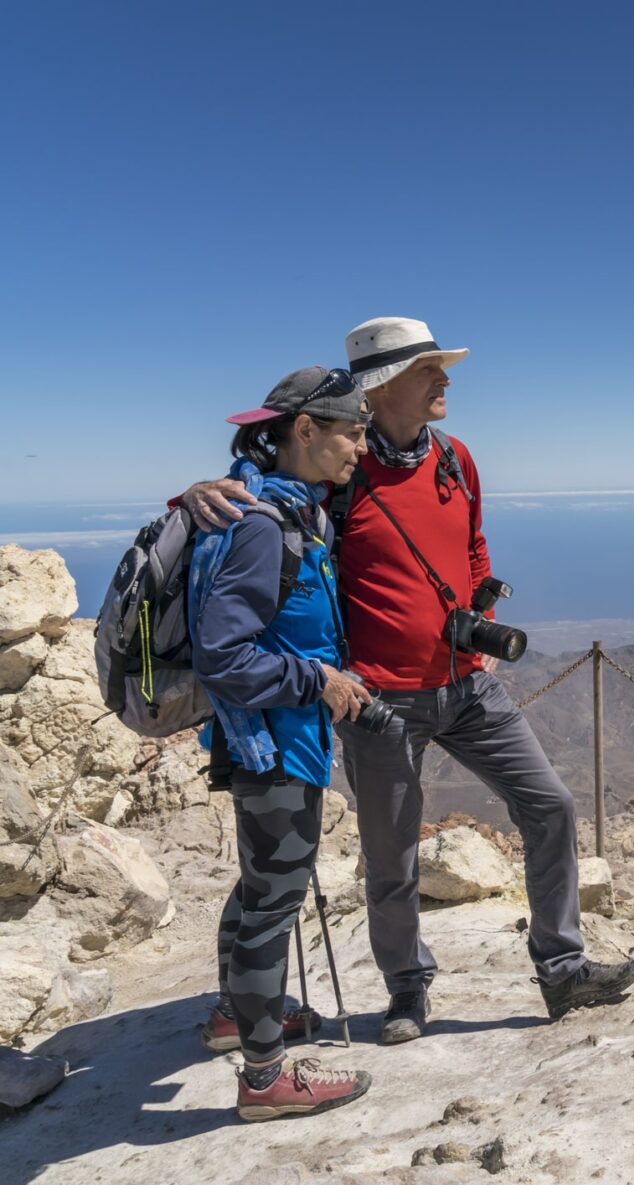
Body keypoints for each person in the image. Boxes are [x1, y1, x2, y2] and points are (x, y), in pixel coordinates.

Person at [185, 318, 634, 1043]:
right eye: (430, 368)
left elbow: (472, 543)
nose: (446, 380)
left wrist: (479, 611)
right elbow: (268, 504)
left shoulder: (455, 458)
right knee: (392, 855)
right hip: (382, 700)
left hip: (469, 686)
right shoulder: (340, 473)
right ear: (382, 385)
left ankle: (563, 969)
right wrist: (202, 491)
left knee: (550, 805)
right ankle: (407, 990)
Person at [189, 366, 376, 1121]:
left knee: (260, 884)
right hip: (274, 741)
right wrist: (319, 681)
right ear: (305, 431)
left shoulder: (282, 505)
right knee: (274, 901)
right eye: (352, 431)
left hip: (266, 737)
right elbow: (225, 655)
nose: (362, 446)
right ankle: (265, 1079)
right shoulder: (263, 523)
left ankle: (238, 1015)